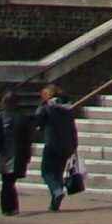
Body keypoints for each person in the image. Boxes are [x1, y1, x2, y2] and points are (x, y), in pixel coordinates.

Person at [0, 89, 32, 216]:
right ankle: (13, 207)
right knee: (11, 182)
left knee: (6, 183)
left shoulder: (1, 115)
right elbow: (27, 138)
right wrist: (27, 155)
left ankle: (6, 207)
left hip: (5, 153)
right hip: (19, 153)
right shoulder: (22, 117)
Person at [35, 83, 79, 212]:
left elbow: (38, 120)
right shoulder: (67, 108)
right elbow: (72, 127)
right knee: (58, 173)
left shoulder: (46, 107)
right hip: (66, 144)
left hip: (52, 143)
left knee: (46, 172)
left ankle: (57, 191)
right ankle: (55, 203)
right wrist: (74, 144)